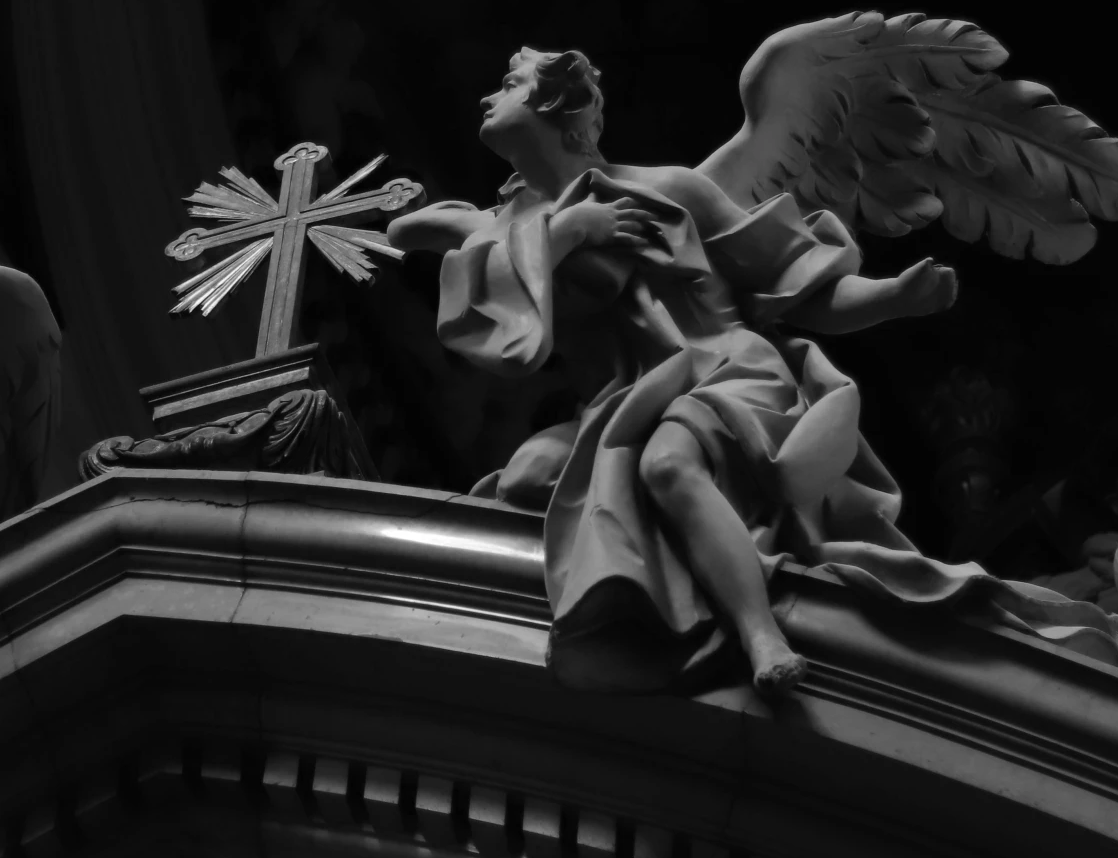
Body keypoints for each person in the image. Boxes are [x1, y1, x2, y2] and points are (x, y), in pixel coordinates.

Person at [389, 48, 961, 696]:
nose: (491, 97)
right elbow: (435, 259)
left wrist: (893, 296)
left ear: (560, 108)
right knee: (522, 482)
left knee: (665, 463)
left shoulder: (671, 191)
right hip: (623, 402)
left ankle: (759, 632)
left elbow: (797, 290)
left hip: (722, 373)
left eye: (511, 82)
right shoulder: (508, 231)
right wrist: (570, 229)